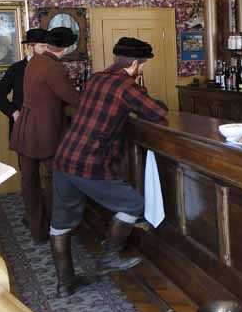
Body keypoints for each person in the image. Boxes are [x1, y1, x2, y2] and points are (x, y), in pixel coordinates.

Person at [49, 37, 168, 297]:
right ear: (135, 63)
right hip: (89, 162)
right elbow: (157, 113)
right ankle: (108, 257)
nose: (143, 69)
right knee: (133, 204)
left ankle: (65, 282)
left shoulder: (96, 78)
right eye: (143, 64)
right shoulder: (126, 87)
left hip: (64, 157)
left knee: (60, 223)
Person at [10, 27, 80, 243]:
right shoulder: (53, 67)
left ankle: (37, 231)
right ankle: (56, 227)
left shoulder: (35, 61)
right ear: (66, 48)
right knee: (55, 179)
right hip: (44, 131)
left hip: (24, 128)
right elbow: (72, 98)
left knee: (29, 182)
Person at [0, 28, 49, 137]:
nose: (46, 50)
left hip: (47, 127)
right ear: (30, 47)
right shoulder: (16, 69)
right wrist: (14, 113)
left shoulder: (51, 68)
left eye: (48, 46)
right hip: (23, 127)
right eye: (42, 46)